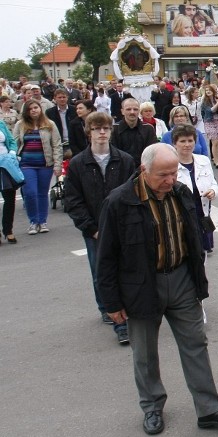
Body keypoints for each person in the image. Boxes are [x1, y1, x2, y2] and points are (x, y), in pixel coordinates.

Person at [97, 143, 218, 435]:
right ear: (143, 170)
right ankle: (152, 407)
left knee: (195, 344)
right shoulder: (120, 202)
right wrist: (112, 303)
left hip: (181, 279)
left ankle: (210, 409)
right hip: (141, 287)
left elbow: (192, 236)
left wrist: (197, 279)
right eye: (163, 174)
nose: (170, 179)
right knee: (145, 353)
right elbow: (106, 257)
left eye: (174, 172)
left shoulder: (181, 193)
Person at [64, 112, 136, 343]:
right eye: (97, 129)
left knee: (127, 269)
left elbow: (133, 193)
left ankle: (125, 313)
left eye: (105, 128)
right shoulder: (78, 164)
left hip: (122, 228)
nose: (102, 133)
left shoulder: (124, 160)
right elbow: (73, 201)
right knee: (100, 272)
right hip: (94, 229)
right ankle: (109, 310)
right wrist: (91, 228)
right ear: (89, 132)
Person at [12, 99, 63, 235]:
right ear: (26, 111)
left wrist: (57, 164)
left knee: (42, 193)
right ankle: (33, 221)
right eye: (30, 109)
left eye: (36, 107)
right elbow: (14, 144)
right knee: (30, 193)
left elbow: (57, 145)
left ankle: (42, 221)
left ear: (40, 109)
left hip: (45, 164)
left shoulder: (49, 124)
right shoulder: (20, 125)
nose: (34, 110)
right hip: (26, 165)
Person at [172, 124, 218, 255]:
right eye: (182, 141)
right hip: (181, 217)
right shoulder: (170, 164)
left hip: (202, 215)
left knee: (202, 254)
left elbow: (213, 183)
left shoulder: (203, 160)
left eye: (190, 140)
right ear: (174, 143)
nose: (187, 144)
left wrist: (213, 192)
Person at [112, 98, 158, 167]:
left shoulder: (148, 129)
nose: (132, 112)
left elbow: (151, 154)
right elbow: (113, 154)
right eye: (128, 109)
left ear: (139, 111)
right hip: (120, 170)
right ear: (122, 111)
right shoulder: (114, 129)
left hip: (143, 170)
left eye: (135, 109)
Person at [0, 118, 23, 245]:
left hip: (5, 163)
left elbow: (11, 140)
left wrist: (12, 153)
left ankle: (8, 230)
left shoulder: (1, 123)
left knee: (9, 198)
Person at [200, 85, 218, 168]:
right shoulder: (204, 101)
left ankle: (216, 157)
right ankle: (216, 161)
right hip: (209, 122)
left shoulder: (216, 99)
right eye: (206, 90)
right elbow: (211, 110)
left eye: (209, 90)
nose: (208, 91)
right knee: (214, 142)